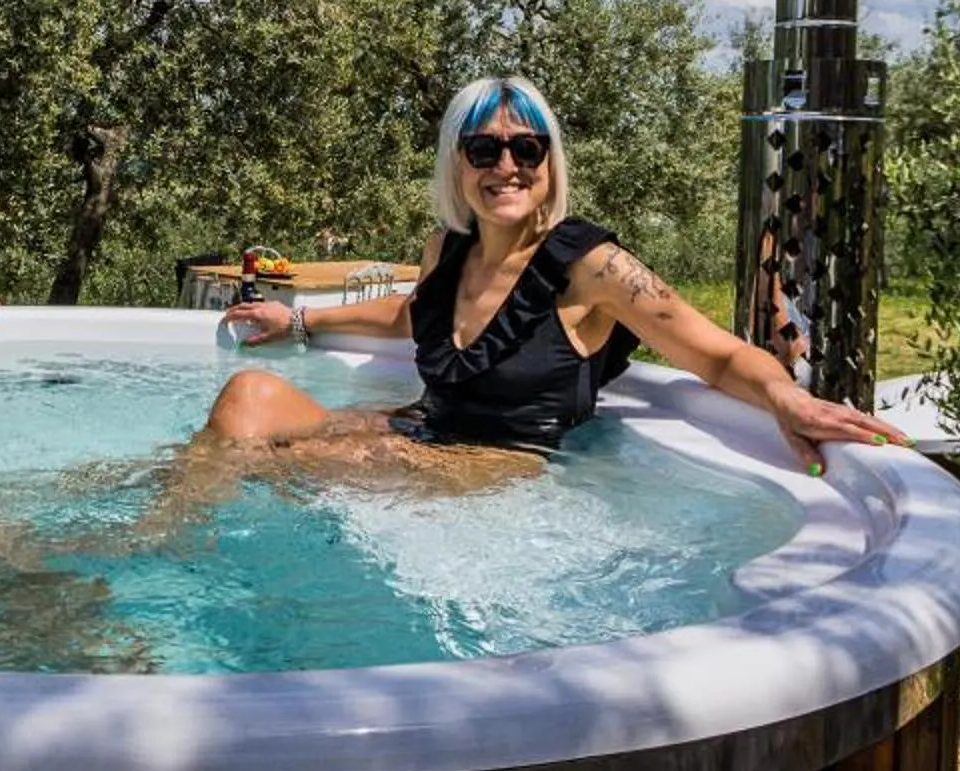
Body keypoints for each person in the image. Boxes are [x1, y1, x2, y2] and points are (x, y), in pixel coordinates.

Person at [203, 77, 906, 475]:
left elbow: (714, 353)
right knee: (248, 398)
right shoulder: (446, 248)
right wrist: (296, 318)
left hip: (499, 464)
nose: (505, 166)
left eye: (525, 148)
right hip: (422, 430)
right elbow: (415, 314)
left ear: (548, 161)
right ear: (457, 163)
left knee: (270, 469)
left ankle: (170, 580)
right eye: (484, 148)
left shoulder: (591, 266)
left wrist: (789, 401)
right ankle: (154, 544)